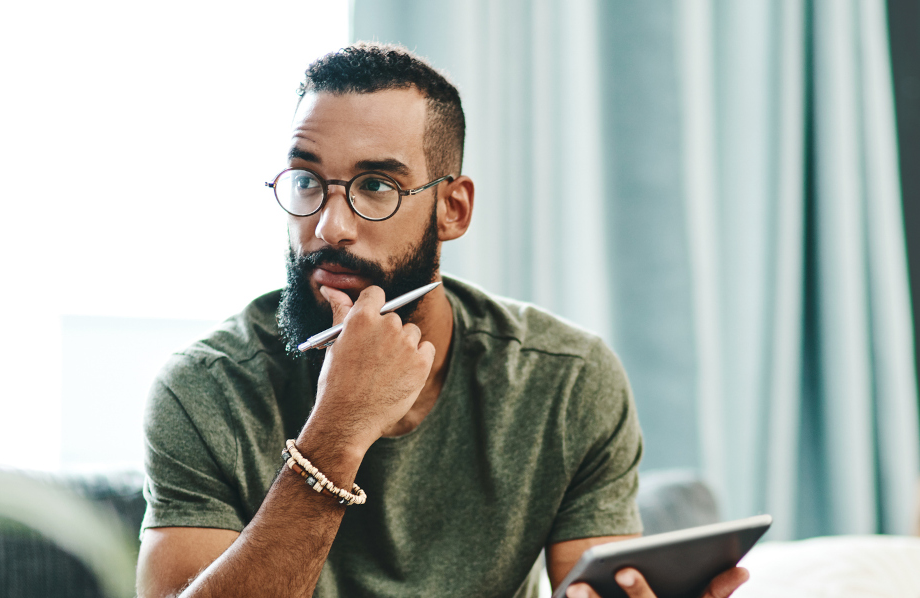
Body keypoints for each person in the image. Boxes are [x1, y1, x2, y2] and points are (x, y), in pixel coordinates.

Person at [135, 42, 749, 598]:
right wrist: (338, 432)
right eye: (306, 180)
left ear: (452, 210)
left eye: (375, 185)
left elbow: (600, 589)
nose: (327, 226)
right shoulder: (205, 388)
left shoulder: (566, 381)